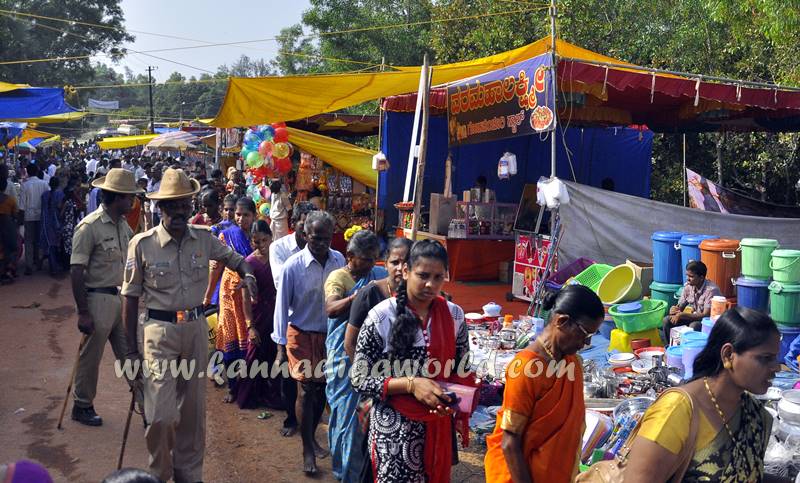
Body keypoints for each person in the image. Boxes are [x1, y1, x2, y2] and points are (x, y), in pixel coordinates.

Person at [121, 168, 258, 483]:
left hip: (195, 330)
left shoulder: (205, 239)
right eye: (172, 205)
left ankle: (188, 474)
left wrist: (248, 274)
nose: (179, 211)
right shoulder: (142, 245)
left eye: (184, 204)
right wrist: (130, 351)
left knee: (194, 413)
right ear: (161, 209)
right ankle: (159, 472)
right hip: (159, 332)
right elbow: (129, 298)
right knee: (160, 415)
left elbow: (237, 259)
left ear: (191, 206)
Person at [351, 240, 478, 483]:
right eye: (423, 275)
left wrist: (455, 403)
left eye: (438, 277)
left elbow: (461, 368)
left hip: (437, 424)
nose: (430, 284)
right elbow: (359, 379)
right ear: (407, 271)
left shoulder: (454, 315)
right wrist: (410, 384)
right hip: (394, 430)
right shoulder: (381, 316)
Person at [623, 307, 785, 482]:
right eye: (765, 358)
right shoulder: (676, 411)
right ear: (729, 355)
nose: (776, 367)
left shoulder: (756, 416)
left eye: (775, 358)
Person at [483, 285, 604, 483]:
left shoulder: (571, 363)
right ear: (561, 321)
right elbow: (509, 442)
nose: (585, 343)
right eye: (585, 334)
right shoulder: (525, 368)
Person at [272, 210, 345, 474]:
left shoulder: (339, 260)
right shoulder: (293, 266)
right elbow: (282, 308)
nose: (322, 244)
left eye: (326, 239)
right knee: (305, 390)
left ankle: (311, 436)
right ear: (305, 236)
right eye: (316, 239)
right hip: (300, 333)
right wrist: (280, 347)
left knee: (322, 391)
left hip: (329, 336)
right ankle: (307, 451)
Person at [69, 169, 142, 426]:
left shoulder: (124, 226)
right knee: (91, 358)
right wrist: (83, 311)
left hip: (120, 298)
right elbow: (77, 270)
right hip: (97, 300)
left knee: (132, 353)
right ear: (115, 197)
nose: (133, 201)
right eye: (128, 196)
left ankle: (145, 404)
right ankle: (82, 404)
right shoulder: (89, 227)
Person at [324, 229, 386, 482]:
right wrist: (359, 297)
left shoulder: (377, 275)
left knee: (366, 419)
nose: (371, 264)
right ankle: (344, 472)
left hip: (370, 358)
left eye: (374, 258)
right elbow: (331, 308)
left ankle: (361, 472)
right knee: (345, 417)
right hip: (343, 358)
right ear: (350, 255)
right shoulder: (338, 277)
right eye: (366, 258)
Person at [268, 200, 317, 437]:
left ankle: (309, 420)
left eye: (311, 228)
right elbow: (281, 282)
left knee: (313, 379)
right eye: (303, 226)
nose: (307, 233)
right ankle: (290, 418)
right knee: (289, 377)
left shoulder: (323, 251)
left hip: (315, 321)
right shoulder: (278, 248)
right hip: (289, 319)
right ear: (293, 224)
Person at [207, 197, 257, 403]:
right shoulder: (225, 235)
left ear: (254, 215)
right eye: (238, 214)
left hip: (251, 292)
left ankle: (250, 388)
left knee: (250, 337)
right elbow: (216, 266)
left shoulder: (259, 235)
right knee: (229, 337)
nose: (240, 218)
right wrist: (208, 294)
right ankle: (233, 387)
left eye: (245, 214)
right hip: (229, 293)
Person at [236, 219, 282, 409]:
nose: (260, 245)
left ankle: (272, 396)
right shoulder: (249, 263)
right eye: (256, 241)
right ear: (251, 241)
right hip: (258, 314)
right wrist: (250, 325)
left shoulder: (278, 259)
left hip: (277, 313)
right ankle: (247, 396)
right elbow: (245, 297)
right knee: (254, 355)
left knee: (274, 355)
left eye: (264, 240)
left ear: (271, 238)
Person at [345, 237, 414, 360]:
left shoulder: (420, 296)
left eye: (406, 263)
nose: (400, 268)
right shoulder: (369, 294)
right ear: (386, 264)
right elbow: (350, 343)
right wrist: (365, 375)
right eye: (395, 262)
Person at [662, 261, 722, 344]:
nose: (687, 278)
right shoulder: (688, 286)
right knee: (667, 320)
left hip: (708, 323)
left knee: (694, 326)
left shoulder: (711, 290)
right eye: (687, 275)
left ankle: (691, 351)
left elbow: (705, 315)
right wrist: (675, 310)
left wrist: (683, 315)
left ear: (701, 277)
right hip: (693, 317)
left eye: (691, 276)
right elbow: (680, 307)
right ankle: (669, 348)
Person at [18, 163, 50, 275]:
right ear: (37, 172)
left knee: (29, 241)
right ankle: (38, 261)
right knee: (39, 240)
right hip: (41, 216)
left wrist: (20, 220)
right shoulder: (44, 184)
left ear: (28, 172)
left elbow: (21, 206)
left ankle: (29, 265)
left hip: (29, 216)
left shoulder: (24, 185)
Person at [40, 176, 64, 275]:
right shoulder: (60, 194)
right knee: (57, 244)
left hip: (47, 222)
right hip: (57, 222)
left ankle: (52, 266)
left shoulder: (45, 195)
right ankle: (56, 266)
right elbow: (60, 208)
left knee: (50, 245)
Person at [0, 176, 18, 284]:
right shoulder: (10, 200)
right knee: (10, 248)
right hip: (7, 227)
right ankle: (7, 272)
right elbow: (15, 214)